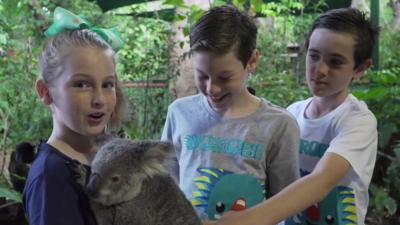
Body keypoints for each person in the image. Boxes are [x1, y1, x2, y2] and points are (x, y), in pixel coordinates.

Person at [204, 7, 379, 225]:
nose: (320, 69)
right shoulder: (291, 115)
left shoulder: (358, 121)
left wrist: (245, 220)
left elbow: (320, 181)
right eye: (314, 56)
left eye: (335, 62)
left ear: (361, 68)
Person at [161, 5, 300, 221]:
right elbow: (167, 183)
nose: (211, 89)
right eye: (202, 76)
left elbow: (288, 205)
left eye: (224, 77)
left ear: (252, 61)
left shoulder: (279, 125)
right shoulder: (179, 113)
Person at [22, 7, 126, 225]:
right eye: (81, 84)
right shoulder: (51, 178)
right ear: (45, 91)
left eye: (108, 84)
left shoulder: (104, 155)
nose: (99, 99)